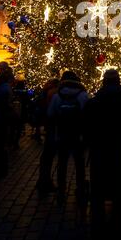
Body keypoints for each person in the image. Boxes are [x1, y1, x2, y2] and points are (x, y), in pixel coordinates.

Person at [85, 69, 121, 240]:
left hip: (99, 147)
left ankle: (98, 216)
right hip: (120, 146)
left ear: (104, 82)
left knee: (98, 180)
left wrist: (90, 140)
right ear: (119, 81)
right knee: (120, 179)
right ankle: (119, 213)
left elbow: (88, 123)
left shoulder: (95, 101)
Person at [47, 71, 88, 204]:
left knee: (62, 162)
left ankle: (61, 190)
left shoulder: (57, 95)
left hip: (62, 134)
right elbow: (88, 114)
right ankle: (80, 188)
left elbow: (50, 114)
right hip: (78, 135)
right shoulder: (82, 94)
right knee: (79, 163)